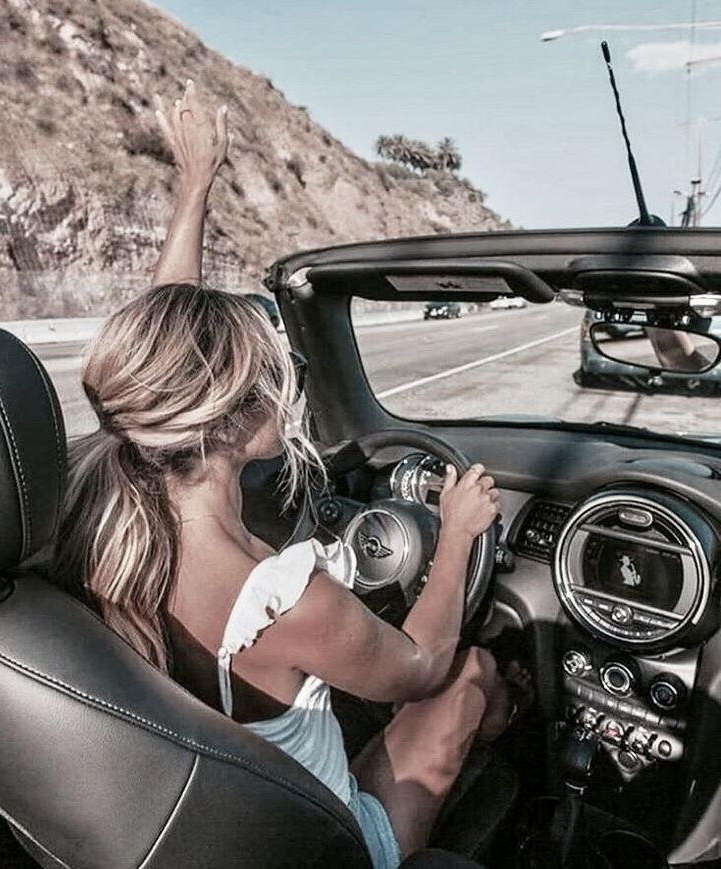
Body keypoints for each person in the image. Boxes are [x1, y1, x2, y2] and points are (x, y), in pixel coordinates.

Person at [54, 81, 530, 867]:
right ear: (229, 420)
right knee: (472, 672)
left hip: (230, 815)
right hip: (330, 837)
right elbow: (417, 667)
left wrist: (196, 185)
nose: (291, 385)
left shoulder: (100, 500)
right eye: (275, 374)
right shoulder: (281, 598)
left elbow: (167, 343)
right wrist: (457, 535)